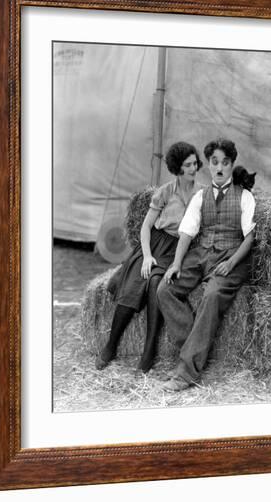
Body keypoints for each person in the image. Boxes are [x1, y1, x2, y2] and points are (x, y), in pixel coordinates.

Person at [95, 141, 205, 373]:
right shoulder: (164, 192)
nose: (193, 169)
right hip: (156, 243)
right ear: (177, 168)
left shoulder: (202, 194)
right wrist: (146, 256)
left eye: (195, 163)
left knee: (157, 282)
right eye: (188, 165)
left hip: (180, 248)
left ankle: (149, 349)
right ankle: (111, 345)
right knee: (135, 281)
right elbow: (145, 228)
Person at [157, 138, 256, 391]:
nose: (220, 168)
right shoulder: (200, 196)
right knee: (165, 289)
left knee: (211, 295)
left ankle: (186, 372)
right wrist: (176, 264)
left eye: (225, 162)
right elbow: (187, 233)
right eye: (214, 163)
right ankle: (194, 348)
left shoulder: (245, 197)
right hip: (202, 254)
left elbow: (250, 237)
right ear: (209, 166)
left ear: (232, 164)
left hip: (233, 256)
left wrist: (231, 263)